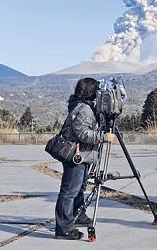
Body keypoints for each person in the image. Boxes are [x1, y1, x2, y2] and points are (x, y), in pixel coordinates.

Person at [54, 77, 101, 240]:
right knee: (69, 192)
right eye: (97, 90)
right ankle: (64, 228)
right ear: (91, 91)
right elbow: (82, 133)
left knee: (79, 188)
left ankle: (78, 213)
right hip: (77, 155)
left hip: (82, 155)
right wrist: (102, 137)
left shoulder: (82, 106)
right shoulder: (84, 109)